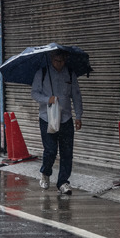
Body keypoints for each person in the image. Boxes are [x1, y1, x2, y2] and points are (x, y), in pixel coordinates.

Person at [31, 49, 83, 194]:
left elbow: (76, 95)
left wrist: (78, 116)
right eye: (56, 61)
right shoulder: (41, 73)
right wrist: (48, 99)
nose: (59, 64)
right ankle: (45, 172)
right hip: (47, 118)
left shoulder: (70, 74)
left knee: (67, 152)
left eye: (61, 61)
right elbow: (34, 93)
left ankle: (63, 182)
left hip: (66, 118)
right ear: (51, 59)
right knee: (50, 151)